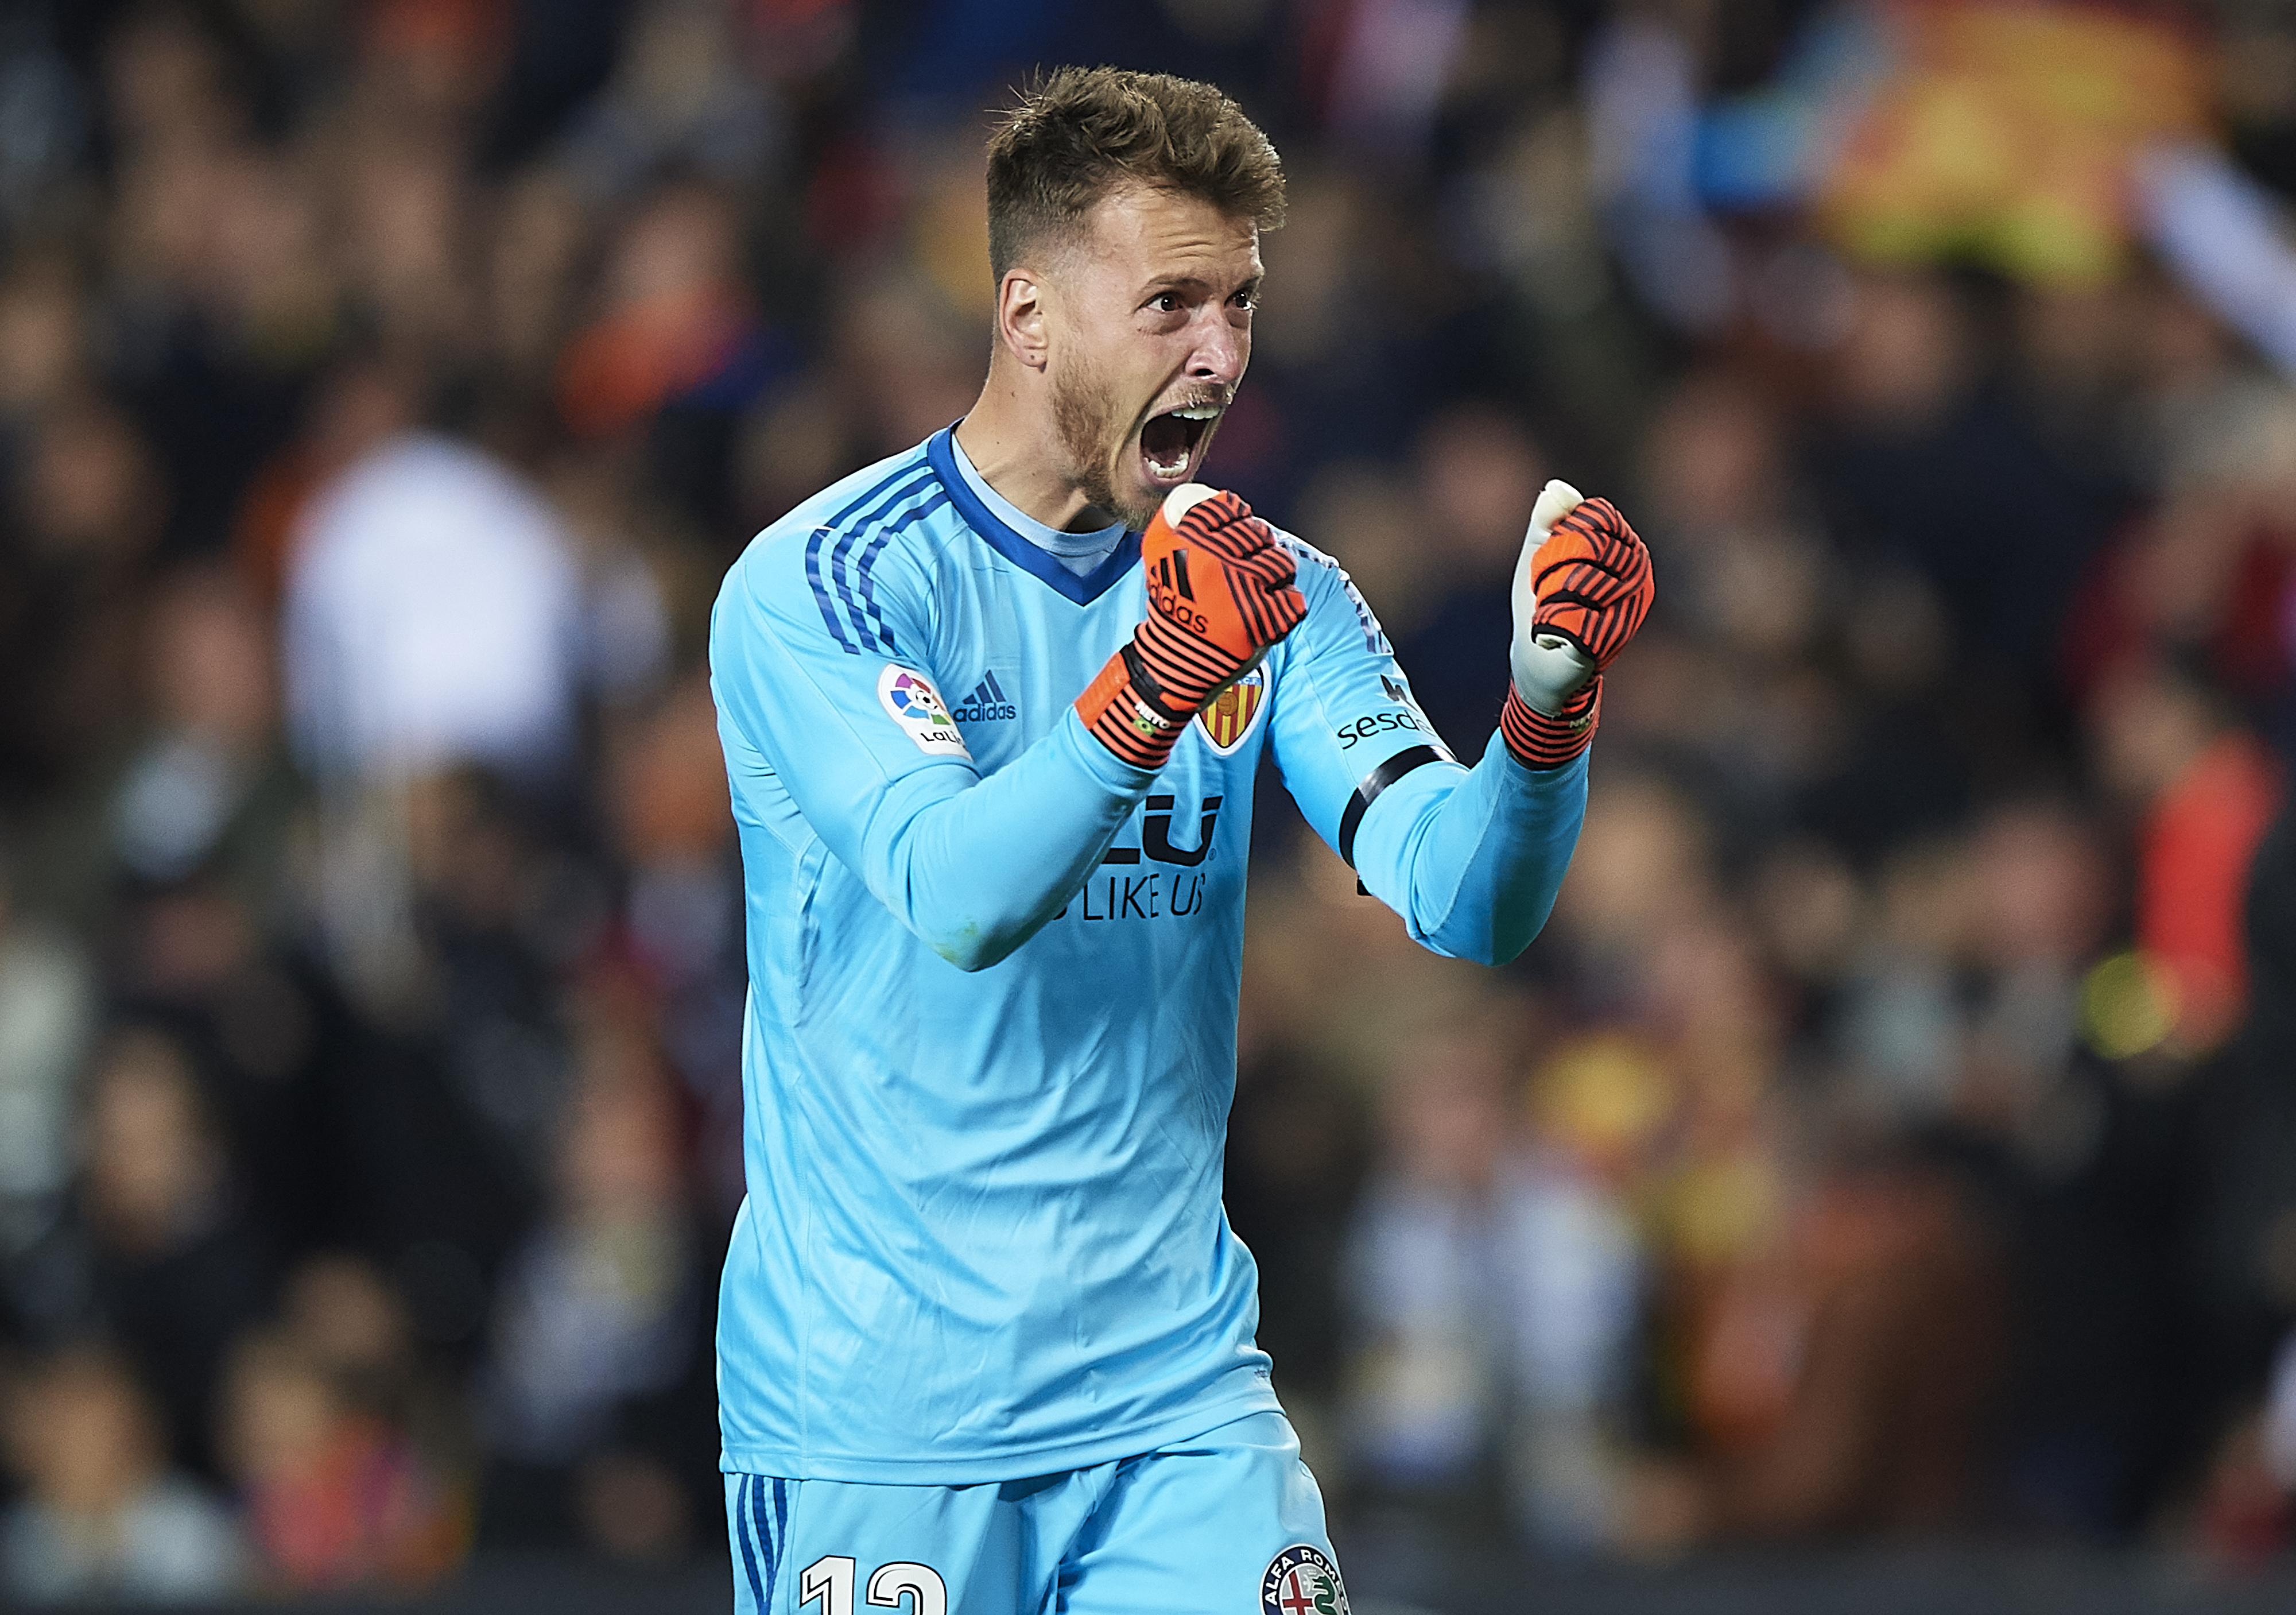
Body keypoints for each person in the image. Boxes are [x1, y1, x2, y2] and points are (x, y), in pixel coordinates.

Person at [706, 67, 1653, 1613]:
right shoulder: (825, 583)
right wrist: (1153, 685)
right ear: (1027, 317)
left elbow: (1463, 895)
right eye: (1168, 306)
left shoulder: (1268, 587)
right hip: (883, 1418)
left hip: (1174, 1402)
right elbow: (957, 892)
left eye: (1241, 303)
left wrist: (1545, 715)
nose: (1218, 355)